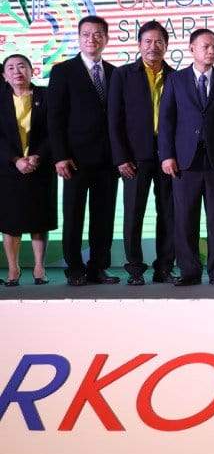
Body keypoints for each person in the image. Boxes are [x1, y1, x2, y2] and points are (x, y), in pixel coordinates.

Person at [159, 28, 214, 286]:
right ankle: (189, 271)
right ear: (191, 49)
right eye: (206, 46)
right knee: (185, 218)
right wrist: (167, 155)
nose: (211, 51)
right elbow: (166, 120)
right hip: (185, 161)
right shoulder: (175, 80)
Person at [47, 15, 119, 286]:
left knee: (104, 217)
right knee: (74, 216)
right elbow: (54, 118)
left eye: (98, 34)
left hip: (108, 159)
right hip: (74, 159)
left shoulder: (115, 73)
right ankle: (74, 268)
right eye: (86, 34)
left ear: (106, 39)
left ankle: (98, 267)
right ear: (79, 38)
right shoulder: (63, 71)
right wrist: (60, 156)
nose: (92, 39)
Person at [108, 20, 176, 285]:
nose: (153, 46)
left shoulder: (176, 76)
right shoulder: (123, 75)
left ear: (166, 45)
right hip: (134, 158)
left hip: (168, 157)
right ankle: (135, 269)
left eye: (159, 41)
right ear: (139, 44)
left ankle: (164, 268)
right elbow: (114, 120)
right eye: (148, 41)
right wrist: (121, 157)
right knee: (134, 214)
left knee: (168, 213)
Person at [0, 54, 56, 286]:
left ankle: (39, 268)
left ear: (32, 71)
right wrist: (15, 160)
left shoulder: (47, 95)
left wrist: (37, 156)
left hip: (39, 166)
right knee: (10, 221)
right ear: (4, 75)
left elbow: (55, 130)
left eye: (22, 66)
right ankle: (13, 269)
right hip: (8, 168)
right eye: (11, 68)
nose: (17, 72)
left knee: (39, 219)